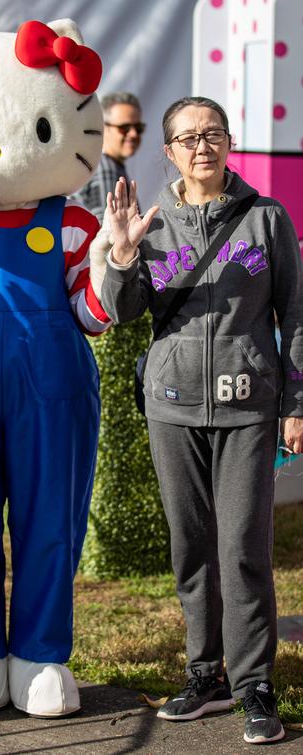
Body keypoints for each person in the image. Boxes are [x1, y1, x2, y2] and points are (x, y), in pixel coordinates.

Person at [97, 95, 303, 746]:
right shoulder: (152, 224)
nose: (202, 145)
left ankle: (253, 686)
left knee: (242, 548)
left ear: (229, 141)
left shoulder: (268, 218)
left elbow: (295, 315)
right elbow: (123, 312)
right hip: (172, 403)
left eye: (212, 133)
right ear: (169, 151)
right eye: (188, 137)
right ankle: (204, 674)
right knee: (190, 548)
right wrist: (122, 257)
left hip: (248, 404)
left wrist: (296, 402)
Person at [71, 91, 144, 221]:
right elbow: (107, 230)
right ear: (103, 127)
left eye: (138, 128)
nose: (133, 134)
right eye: (124, 128)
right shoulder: (105, 168)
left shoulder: (101, 163)